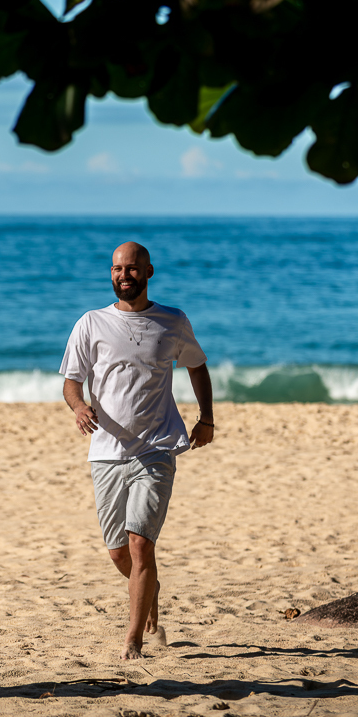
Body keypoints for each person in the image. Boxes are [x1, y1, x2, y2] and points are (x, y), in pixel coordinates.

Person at [60, 241, 213, 660]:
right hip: (106, 451)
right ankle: (150, 591)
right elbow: (71, 381)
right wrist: (78, 407)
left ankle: (134, 638)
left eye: (131, 269)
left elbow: (197, 365)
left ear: (148, 272)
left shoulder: (172, 321)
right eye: (116, 269)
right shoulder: (90, 324)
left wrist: (206, 417)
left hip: (157, 447)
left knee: (140, 544)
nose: (122, 275)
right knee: (118, 551)